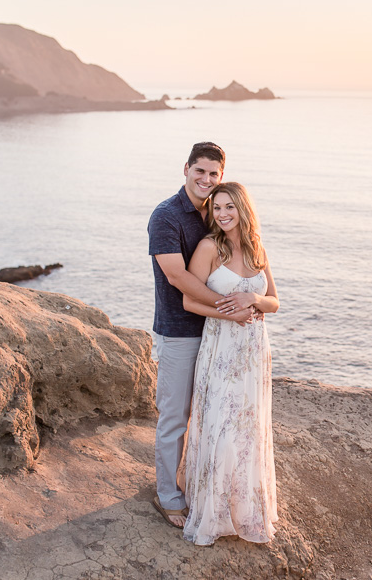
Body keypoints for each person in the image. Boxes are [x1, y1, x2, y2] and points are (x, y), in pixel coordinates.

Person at [147, 142, 255, 529]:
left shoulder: (216, 212)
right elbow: (178, 278)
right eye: (200, 171)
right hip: (181, 329)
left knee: (211, 415)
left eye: (214, 174)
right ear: (187, 169)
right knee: (175, 415)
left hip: (220, 336)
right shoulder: (166, 216)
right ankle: (167, 495)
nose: (207, 180)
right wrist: (230, 306)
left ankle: (199, 487)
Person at [180, 181, 280, 545]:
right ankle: (213, 511)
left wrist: (253, 297)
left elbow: (274, 302)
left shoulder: (257, 248)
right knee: (221, 428)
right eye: (217, 207)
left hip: (253, 351)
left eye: (229, 207)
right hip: (221, 348)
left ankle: (246, 511)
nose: (222, 214)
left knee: (247, 430)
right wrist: (230, 317)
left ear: (242, 209)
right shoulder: (208, 247)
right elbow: (190, 302)